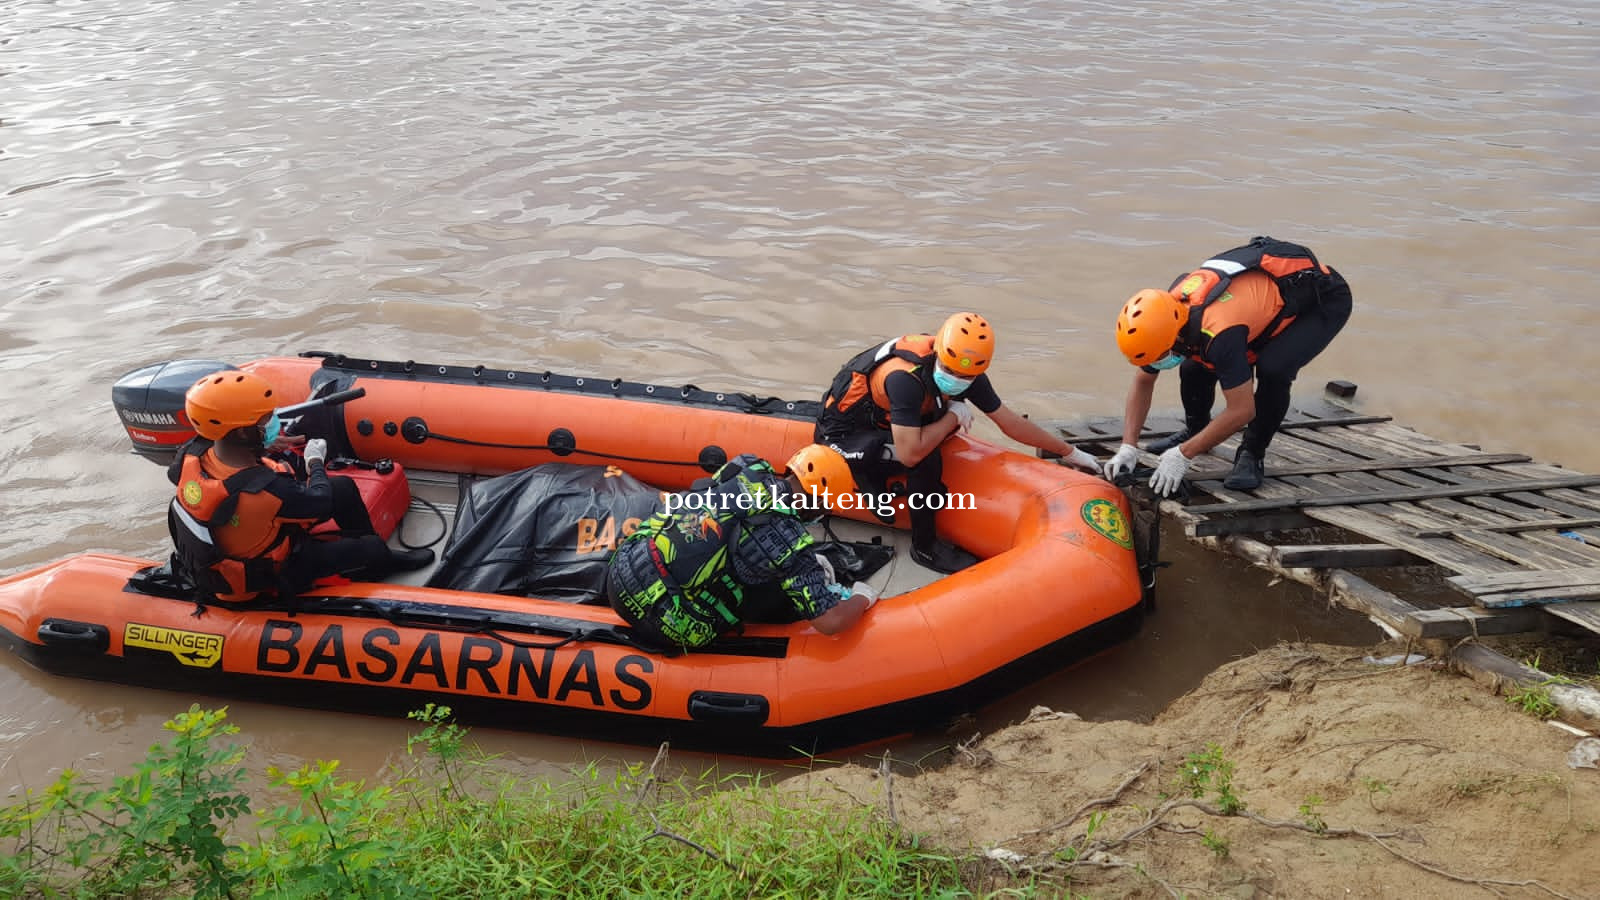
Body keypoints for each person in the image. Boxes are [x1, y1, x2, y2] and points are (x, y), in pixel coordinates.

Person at [814, 312, 1100, 574]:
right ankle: (924, 549)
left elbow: (1009, 422)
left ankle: (879, 480)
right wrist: (952, 418)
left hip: (882, 422)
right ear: (938, 352)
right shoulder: (905, 379)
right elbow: (910, 453)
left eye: (967, 376)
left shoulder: (967, 369)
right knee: (927, 460)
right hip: (843, 436)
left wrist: (1071, 452)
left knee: (940, 429)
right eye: (952, 372)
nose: (958, 380)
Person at [1104, 236, 1354, 496]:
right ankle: (1197, 431)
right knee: (1194, 366)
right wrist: (1128, 446)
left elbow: (1241, 411)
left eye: (1159, 355)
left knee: (1274, 369)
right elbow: (1143, 379)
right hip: (1256, 307)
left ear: (1173, 336)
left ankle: (1252, 453)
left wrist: (1183, 455)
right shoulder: (1166, 315)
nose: (1157, 363)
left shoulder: (1220, 333)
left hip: (1320, 300)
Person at [167, 370, 433, 603]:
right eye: (264, 420)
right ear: (239, 432)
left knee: (342, 487)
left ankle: (361, 546)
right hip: (268, 569)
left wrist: (262, 446)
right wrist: (315, 461)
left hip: (250, 531)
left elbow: (222, 471)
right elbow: (319, 502)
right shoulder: (267, 490)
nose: (271, 422)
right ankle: (371, 558)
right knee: (368, 545)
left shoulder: (190, 455)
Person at [605, 444, 877, 651]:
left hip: (622, 571)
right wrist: (862, 597)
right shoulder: (789, 542)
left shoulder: (745, 467)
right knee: (780, 601)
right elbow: (831, 623)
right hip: (664, 620)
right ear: (818, 501)